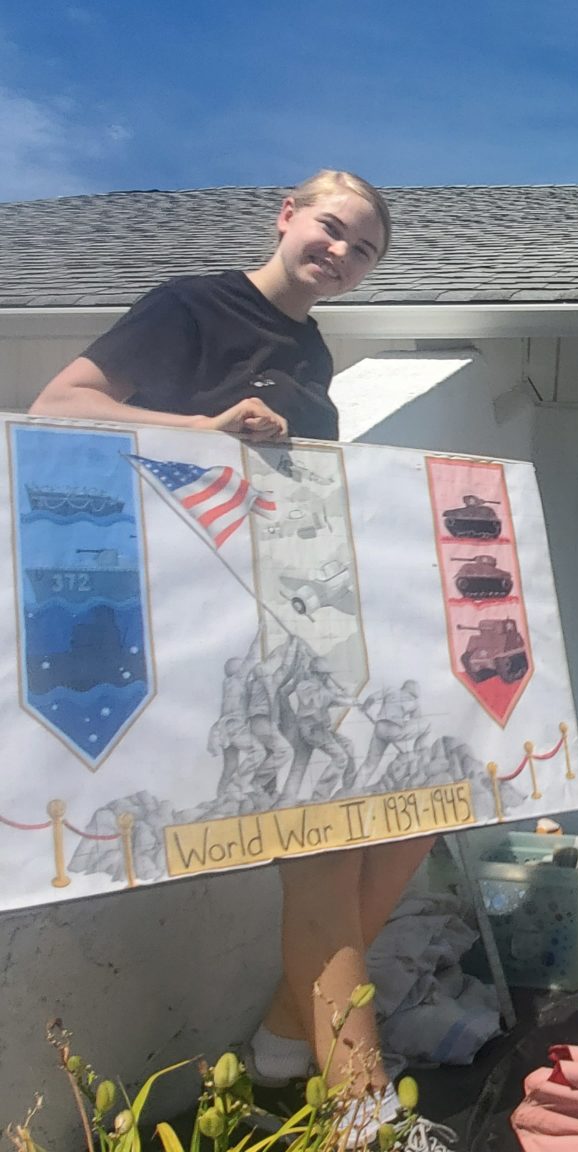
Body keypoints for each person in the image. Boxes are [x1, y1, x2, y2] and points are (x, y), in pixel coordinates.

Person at [30, 171, 449, 1149]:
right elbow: (62, 403)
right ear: (287, 214)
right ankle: (364, 1121)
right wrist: (204, 433)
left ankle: (274, 1040)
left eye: (363, 249)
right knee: (329, 843)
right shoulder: (192, 305)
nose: (340, 253)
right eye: (331, 228)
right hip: (198, 634)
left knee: (417, 813)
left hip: (298, 621)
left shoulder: (312, 351)